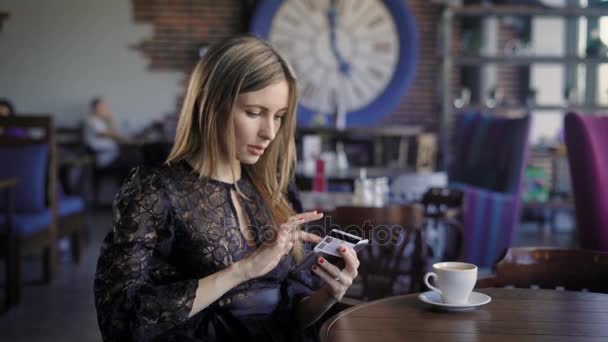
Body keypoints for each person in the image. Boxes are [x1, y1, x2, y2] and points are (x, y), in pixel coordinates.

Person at [93, 35, 361, 342]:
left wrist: (327, 295)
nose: (269, 132)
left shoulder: (274, 186)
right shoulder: (154, 190)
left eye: (279, 117)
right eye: (254, 112)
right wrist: (242, 270)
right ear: (211, 103)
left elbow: (290, 319)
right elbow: (119, 320)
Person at [83, 97, 141, 181]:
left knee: (134, 157)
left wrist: (110, 120)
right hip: (103, 156)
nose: (105, 109)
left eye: (105, 107)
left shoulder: (100, 121)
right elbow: (107, 134)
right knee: (131, 161)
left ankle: (130, 186)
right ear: (95, 107)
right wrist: (125, 139)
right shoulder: (90, 120)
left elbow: (114, 132)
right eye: (102, 107)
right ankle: (128, 188)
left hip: (112, 153)